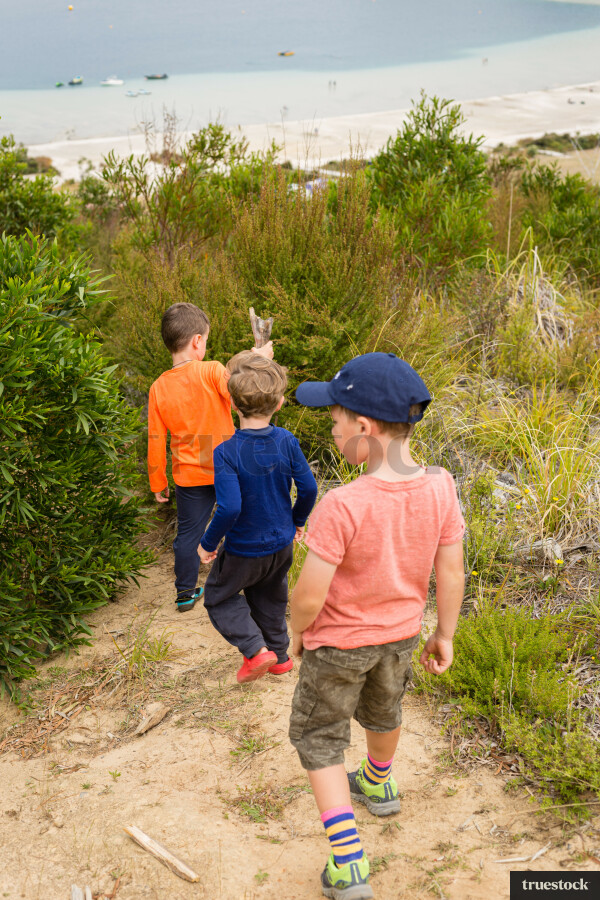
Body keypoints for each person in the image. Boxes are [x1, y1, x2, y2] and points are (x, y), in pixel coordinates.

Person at [289, 352, 465, 899]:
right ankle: (380, 782)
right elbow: (451, 568)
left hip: (339, 644)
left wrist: (294, 634)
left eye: (335, 418)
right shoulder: (440, 485)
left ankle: (348, 862)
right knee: (386, 709)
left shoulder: (342, 504)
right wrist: (445, 634)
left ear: (363, 428)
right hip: (402, 635)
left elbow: (311, 592)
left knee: (318, 737)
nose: (333, 426)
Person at [198, 352, 318, 683]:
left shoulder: (225, 452)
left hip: (243, 548)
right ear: (279, 403)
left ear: (233, 405)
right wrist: (297, 520)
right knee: (271, 595)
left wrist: (207, 543)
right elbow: (308, 488)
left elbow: (230, 508)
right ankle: (279, 658)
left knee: (219, 597)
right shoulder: (287, 440)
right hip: (281, 543)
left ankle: (255, 650)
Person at [147, 302, 272, 611]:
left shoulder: (158, 388)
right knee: (242, 522)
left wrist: (157, 482)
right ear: (197, 341)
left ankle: (185, 593)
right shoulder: (212, 370)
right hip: (228, 466)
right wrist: (258, 359)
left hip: (188, 475)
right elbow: (243, 394)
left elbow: (155, 439)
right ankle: (242, 583)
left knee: (188, 534)